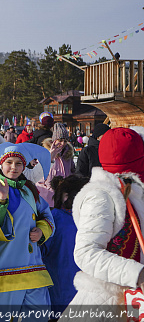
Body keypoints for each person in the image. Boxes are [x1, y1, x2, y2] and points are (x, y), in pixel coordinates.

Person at [62, 127, 144, 320]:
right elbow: (86, 253)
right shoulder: (101, 196)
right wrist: (138, 274)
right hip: (105, 300)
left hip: (133, 300)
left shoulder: (133, 192)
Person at [0, 142, 55, 321]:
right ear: (0, 165)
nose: (14, 167)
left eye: (18, 163)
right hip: (3, 268)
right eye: (9, 162)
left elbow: (47, 217)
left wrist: (41, 231)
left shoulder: (30, 190)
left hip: (33, 266)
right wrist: (2, 198)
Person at [41, 175, 88, 317]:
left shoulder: (55, 216)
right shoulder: (56, 217)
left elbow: (42, 249)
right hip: (64, 284)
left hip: (61, 286)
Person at [36, 123, 75, 206]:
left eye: (65, 141)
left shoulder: (68, 155)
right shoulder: (46, 154)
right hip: (48, 195)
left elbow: (72, 172)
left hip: (64, 195)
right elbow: (39, 176)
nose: (62, 143)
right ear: (54, 140)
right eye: (60, 140)